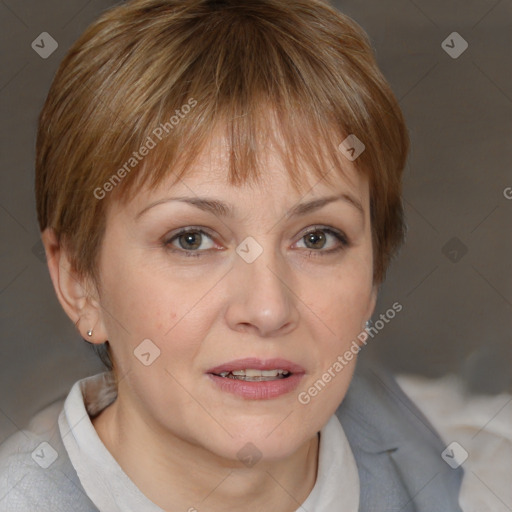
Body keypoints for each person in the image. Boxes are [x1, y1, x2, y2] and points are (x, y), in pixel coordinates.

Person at [0, 0, 463, 510]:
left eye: (317, 238)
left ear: (374, 272)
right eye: (192, 239)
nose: (267, 309)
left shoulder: (459, 477)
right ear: (77, 279)